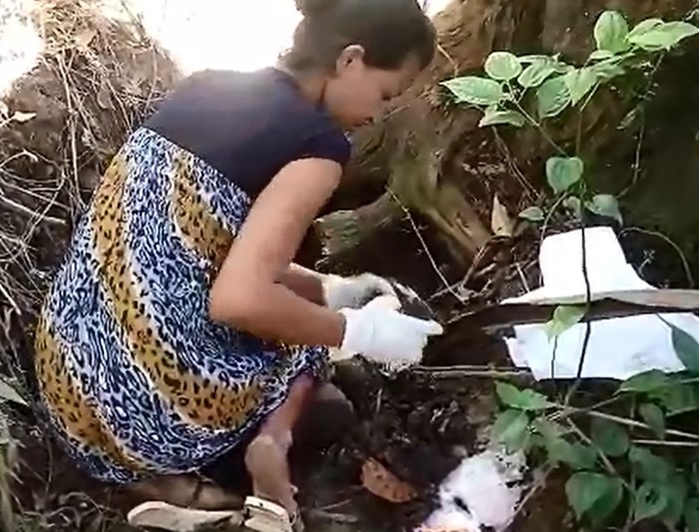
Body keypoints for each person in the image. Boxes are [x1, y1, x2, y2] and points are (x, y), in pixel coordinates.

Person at [32, 0, 441, 530]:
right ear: (350, 60)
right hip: (153, 414)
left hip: (67, 383)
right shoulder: (317, 146)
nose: (380, 114)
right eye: (386, 94)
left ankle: (166, 485)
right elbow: (240, 298)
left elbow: (198, 250)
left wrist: (335, 289)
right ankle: (268, 444)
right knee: (305, 347)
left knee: (293, 313)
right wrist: (357, 331)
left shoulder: (204, 88)